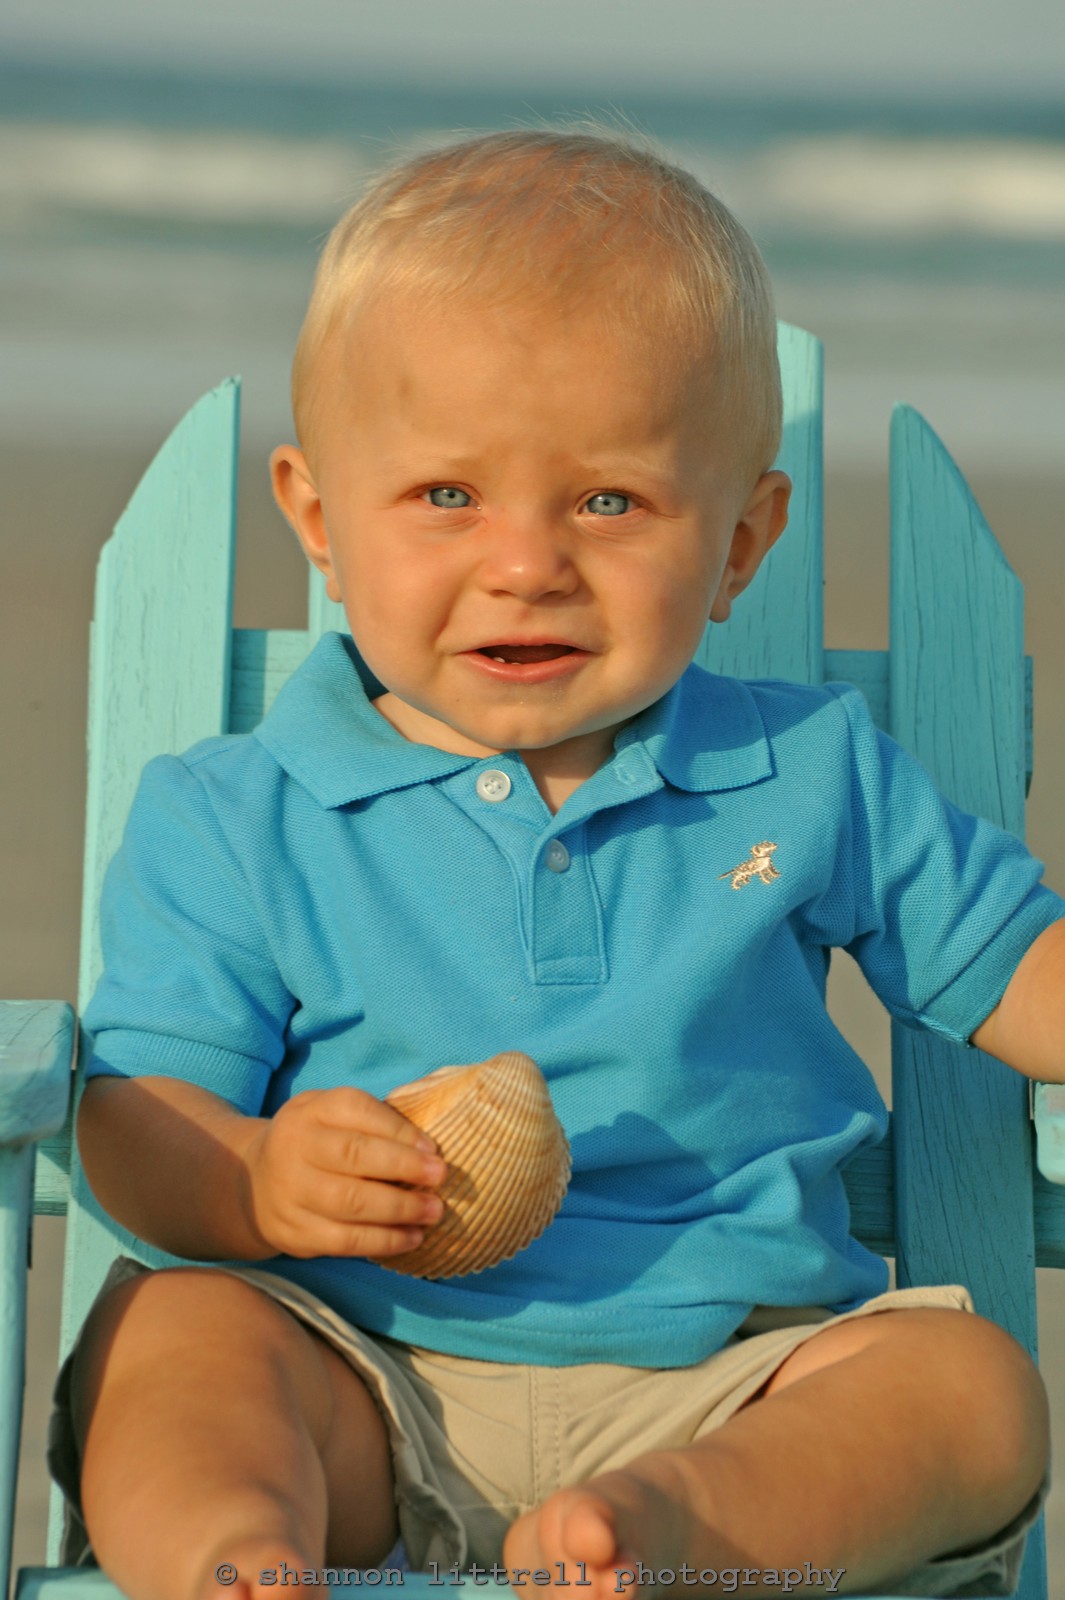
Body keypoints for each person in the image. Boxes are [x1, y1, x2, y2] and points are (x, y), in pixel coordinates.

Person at [52, 124, 1064, 1600]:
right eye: (446, 497)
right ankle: (237, 1555)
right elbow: (138, 1116)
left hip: (732, 1384)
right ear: (320, 521)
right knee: (172, 1335)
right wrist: (258, 1178)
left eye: (607, 502)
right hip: (361, 1378)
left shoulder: (809, 773)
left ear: (739, 544)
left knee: (970, 1391)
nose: (526, 563)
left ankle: (664, 1533)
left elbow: (1017, 968)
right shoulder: (235, 816)